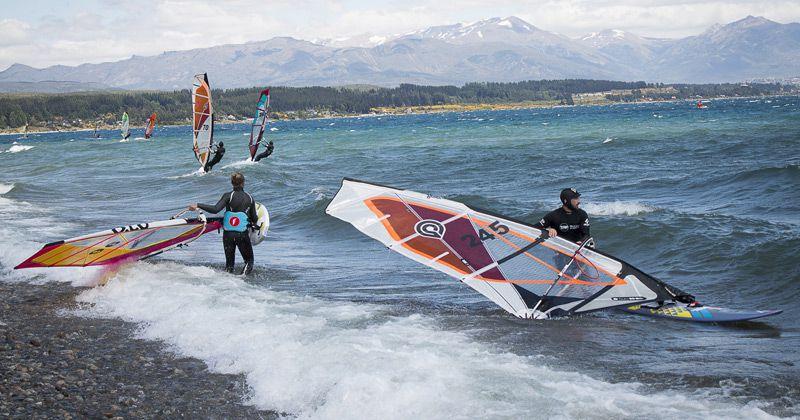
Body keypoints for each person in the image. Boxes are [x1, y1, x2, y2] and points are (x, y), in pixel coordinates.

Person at [189, 172, 256, 274]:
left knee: (229, 265)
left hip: (228, 234)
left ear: (232, 183)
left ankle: (227, 283)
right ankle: (242, 280)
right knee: (249, 262)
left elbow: (215, 209)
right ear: (243, 183)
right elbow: (254, 218)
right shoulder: (250, 198)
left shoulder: (228, 196)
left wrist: (198, 205)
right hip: (241, 234)